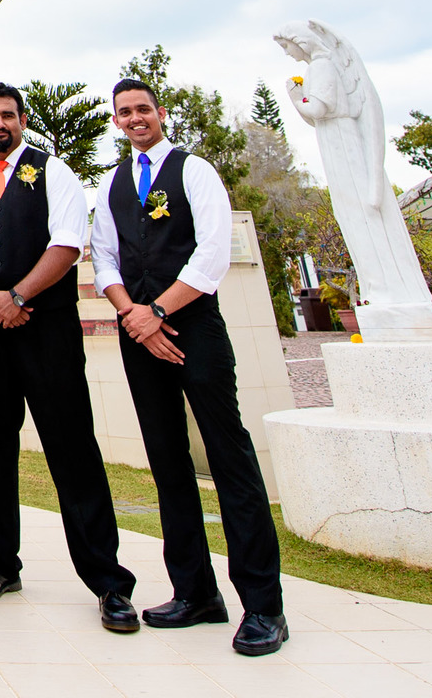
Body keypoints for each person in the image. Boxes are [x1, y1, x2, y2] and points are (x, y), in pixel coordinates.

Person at [92, 78, 288, 658]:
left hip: (193, 329)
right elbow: (104, 254)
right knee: (167, 464)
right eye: (124, 112)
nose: (134, 119)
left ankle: (264, 606)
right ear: (116, 120)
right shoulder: (112, 184)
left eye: (142, 110)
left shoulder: (194, 170)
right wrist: (132, 315)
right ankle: (195, 592)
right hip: (140, 334)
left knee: (229, 458)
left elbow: (211, 254)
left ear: (161, 113)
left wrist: (156, 312)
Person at [0, 81, 139, 631]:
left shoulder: (53, 171)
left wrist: (19, 296)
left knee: (71, 447)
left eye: (8, 115)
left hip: (45, 328)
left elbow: (67, 243)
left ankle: (108, 582)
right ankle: (0, 565)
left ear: (23, 118)